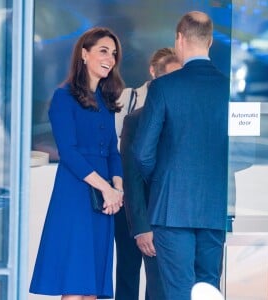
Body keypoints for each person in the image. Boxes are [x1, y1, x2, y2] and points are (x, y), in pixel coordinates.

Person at [132, 11, 230, 300]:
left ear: (179, 39)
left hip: (172, 208)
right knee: (208, 289)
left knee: (178, 292)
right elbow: (241, 150)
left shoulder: (164, 86)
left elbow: (141, 153)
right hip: (214, 208)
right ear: (210, 41)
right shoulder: (229, 88)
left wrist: (163, 179)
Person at [29, 27, 125, 300]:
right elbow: (69, 153)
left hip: (103, 201)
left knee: (92, 286)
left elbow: (113, 153)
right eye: (103, 51)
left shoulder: (106, 101)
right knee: (75, 283)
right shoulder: (64, 97)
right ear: (84, 54)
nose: (110, 58)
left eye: (114, 53)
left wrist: (117, 188)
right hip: (75, 195)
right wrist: (106, 189)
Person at [114, 48, 181, 300]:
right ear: (154, 72)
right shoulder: (128, 99)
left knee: (157, 278)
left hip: (157, 205)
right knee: (128, 270)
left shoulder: (177, 106)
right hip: (130, 200)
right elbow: (118, 148)